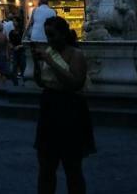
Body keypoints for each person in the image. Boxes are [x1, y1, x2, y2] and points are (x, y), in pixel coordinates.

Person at [33, 16, 94, 194]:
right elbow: (42, 82)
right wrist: (37, 64)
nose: (49, 40)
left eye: (52, 35)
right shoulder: (50, 52)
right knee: (46, 165)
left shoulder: (76, 55)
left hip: (71, 109)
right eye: (47, 35)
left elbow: (76, 82)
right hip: (50, 106)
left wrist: (50, 61)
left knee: (72, 166)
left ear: (63, 34)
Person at [9, 16, 25, 83]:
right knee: (14, 65)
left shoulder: (22, 31)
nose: (13, 22)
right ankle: (15, 81)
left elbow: (24, 42)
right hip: (14, 51)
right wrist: (11, 46)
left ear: (18, 22)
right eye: (13, 21)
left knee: (22, 65)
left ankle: (23, 79)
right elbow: (10, 42)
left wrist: (19, 46)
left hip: (21, 51)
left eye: (15, 21)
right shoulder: (11, 32)